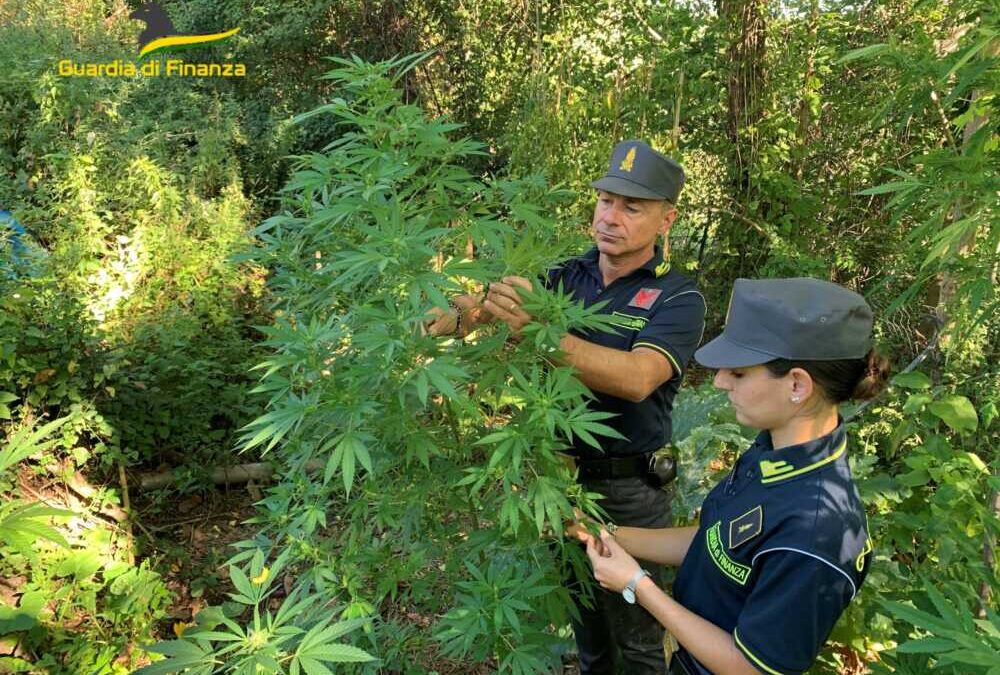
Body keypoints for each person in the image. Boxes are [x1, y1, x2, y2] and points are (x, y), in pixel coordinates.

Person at [427, 140, 706, 674]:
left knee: (638, 639)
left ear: (666, 219)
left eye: (631, 207)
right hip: (558, 483)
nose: (610, 217)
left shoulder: (677, 297)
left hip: (630, 492)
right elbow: (486, 307)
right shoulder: (561, 276)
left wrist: (537, 332)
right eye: (606, 201)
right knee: (588, 631)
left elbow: (637, 378)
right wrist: (455, 315)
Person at [574, 277, 888, 675]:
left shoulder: (816, 533)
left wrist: (637, 584)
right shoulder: (774, 450)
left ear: (797, 384)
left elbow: (751, 667)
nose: (720, 381)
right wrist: (606, 534)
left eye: (738, 373)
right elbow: (715, 541)